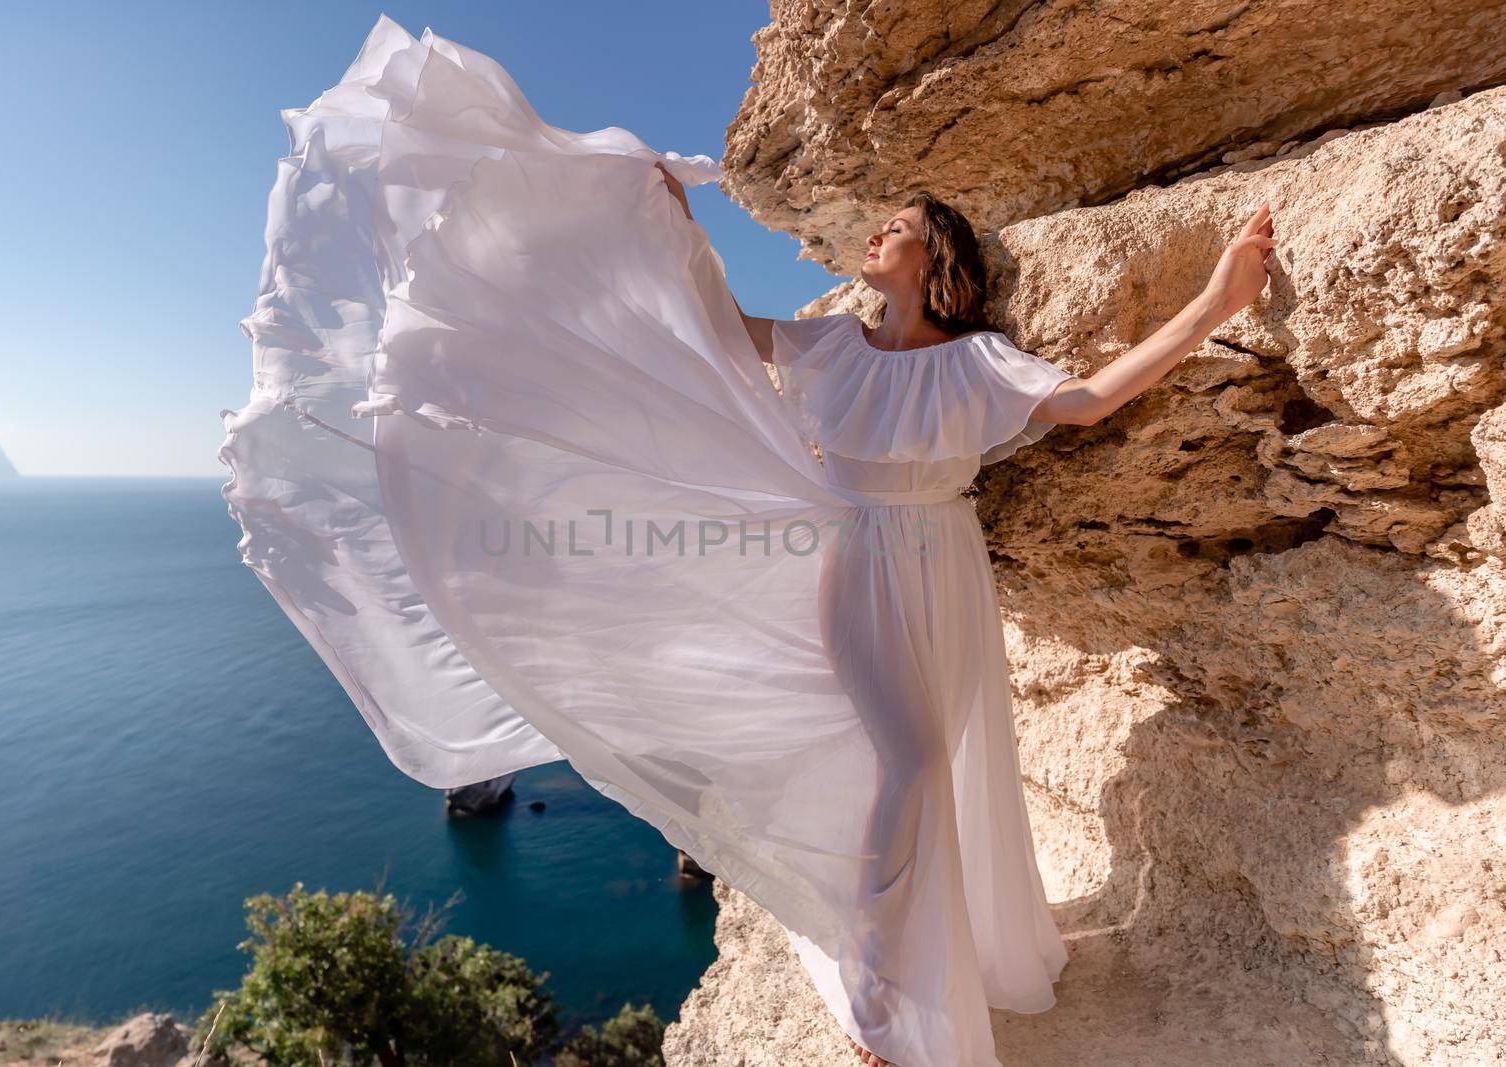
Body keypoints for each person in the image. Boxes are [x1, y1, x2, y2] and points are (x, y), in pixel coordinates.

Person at [218, 16, 1277, 1067]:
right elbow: (714, 327)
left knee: (942, 764)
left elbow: (1090, 400)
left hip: (946, 566)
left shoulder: (979, 361)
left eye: (897, 225)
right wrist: (667, 221)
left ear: (935, 254)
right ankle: (883, 993)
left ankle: (947, 957)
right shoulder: (829, 345)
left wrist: (1213, 299)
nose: (876, 234)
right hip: (855, 561)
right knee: (905, 766)